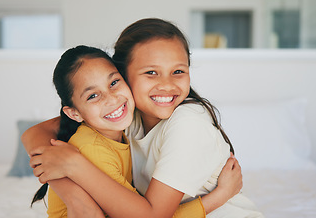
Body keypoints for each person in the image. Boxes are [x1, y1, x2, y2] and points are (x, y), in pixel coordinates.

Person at [26, 18, 263, 217]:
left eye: (178, 71)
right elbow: (34, 134)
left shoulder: (187, 123)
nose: (166, 85)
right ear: (125, 75)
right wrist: (69, 189)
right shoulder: (123, 114)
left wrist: (73, 166)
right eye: (151, 73)